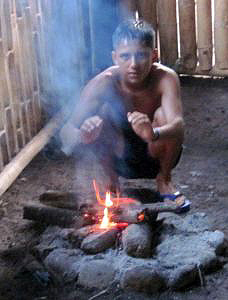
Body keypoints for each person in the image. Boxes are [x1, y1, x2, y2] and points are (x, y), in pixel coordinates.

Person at [60, 19, 190, 212]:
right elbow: (66, 131)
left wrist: (153, 132)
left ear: (154, 56)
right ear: (114, 58)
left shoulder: (166, 78)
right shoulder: (103, 83)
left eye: (141, 55)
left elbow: (178, 125)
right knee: (98, 117)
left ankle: (164, 179)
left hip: (155, 154)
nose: (133, 64)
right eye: (125, 56)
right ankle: (112, 183)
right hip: (119, 158)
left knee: (165, 115)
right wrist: (83, 135)